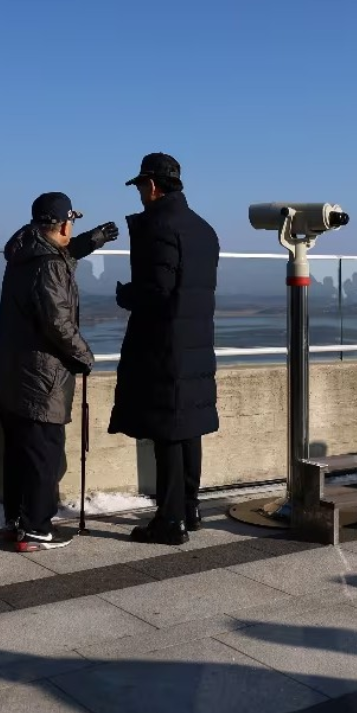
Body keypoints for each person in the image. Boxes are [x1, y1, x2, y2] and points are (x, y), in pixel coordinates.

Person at [0, 192, 119, 552]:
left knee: (20, 450)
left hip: (13, 372)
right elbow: (58, 322)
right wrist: (84, 356)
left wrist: (91, 240)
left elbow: (60, 253)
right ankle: (35, 528)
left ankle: (18, 520)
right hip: (41, 377)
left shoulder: (24, 253)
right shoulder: (49, 265)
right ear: (64, 223)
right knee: (44, 454)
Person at [109, 152, 222, 545]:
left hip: (164, 343)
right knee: (188, 425)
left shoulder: (159, 225)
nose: (139, 193)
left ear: (152, 186)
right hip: (196, 341)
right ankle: (189, 508)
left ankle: (170, 520)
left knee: (167, 429)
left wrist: (126, 295)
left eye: (140, 186)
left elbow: (157, 288)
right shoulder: (204, 230)